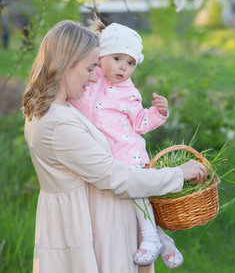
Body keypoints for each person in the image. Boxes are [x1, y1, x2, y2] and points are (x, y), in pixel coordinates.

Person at [22, 20, 207, 273]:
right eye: (90, 68)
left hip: (102, 220)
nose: (92, 78)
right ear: (66, 64)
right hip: (90, 228)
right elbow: (114, 176)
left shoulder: (59, 110)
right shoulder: (57, 123)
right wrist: (178, 174)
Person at [69, 19, 182, 268]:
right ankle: (162, 239)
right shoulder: (90, 78)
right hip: (100, 154)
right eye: (117, 58)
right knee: (135, 205)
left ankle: (152, 238)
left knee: (138, 195)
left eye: (130, 62)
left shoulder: (129, 92)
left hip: (125, 152)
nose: (123, 67)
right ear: (101, 56)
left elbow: (140, 122)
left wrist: (158, 112)